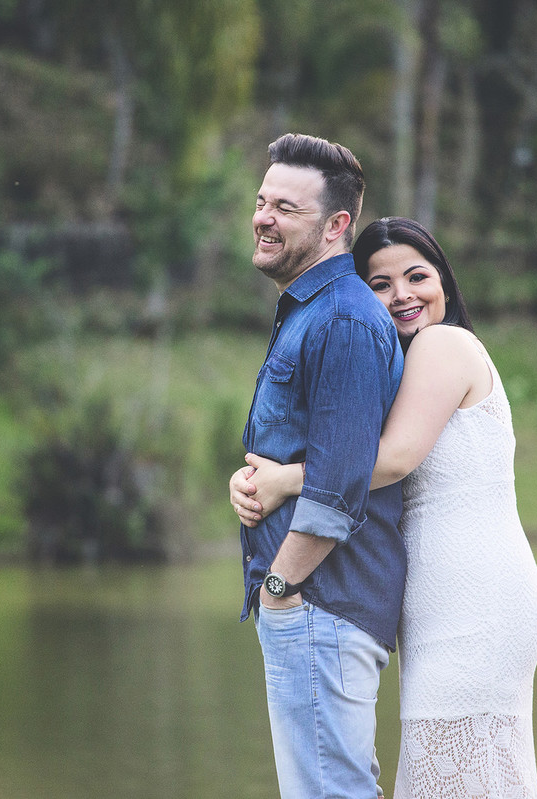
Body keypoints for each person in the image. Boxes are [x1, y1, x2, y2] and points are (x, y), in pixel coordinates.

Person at [232, 217, 537, 798]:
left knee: (453, 771)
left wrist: (285, 482)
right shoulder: (401, 366)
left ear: (445, 285)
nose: (401, 295)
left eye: (416, 276)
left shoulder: (443, 344)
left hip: (474, 596)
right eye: (380, 284)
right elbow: (342, 445)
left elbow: (394, 458)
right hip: (441, 600)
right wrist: (255, 479)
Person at [238, 134, 407, 798]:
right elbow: (305, 451)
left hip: (319, 604)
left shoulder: (340, 320)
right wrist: (250, 483)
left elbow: (337, 486)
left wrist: (280, 593)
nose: (263, 217)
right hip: (313, 606)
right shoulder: (313, 314)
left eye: (285, 207)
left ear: (338, 225)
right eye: (261, 201)